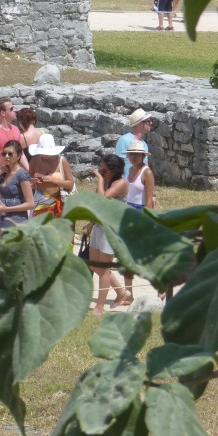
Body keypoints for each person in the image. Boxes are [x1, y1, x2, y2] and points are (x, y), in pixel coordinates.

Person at [85, 153, 129, 314]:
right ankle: (121, 292)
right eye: (100, 169)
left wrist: (99, 179)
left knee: (103, 268)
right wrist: (91, 221)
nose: (101, 172)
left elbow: (102, 198)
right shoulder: (109, 180)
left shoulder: (121, 183)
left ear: (113, 171)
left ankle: (100, 306)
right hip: (100, 226)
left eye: (104, 170)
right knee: (94, 264)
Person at [121, 139, 155, 305]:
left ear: (142, 155)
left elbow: (148, 201)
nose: (133, 157)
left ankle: (162, 288)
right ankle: (129, 294)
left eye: (136, 154)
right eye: (131, 154)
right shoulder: (131, 171)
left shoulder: (146, 172)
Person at [28, 134, 74, 218]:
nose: (44, 155)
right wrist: (33, 181)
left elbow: (70, 183)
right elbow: (28, 180)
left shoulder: (62, 161)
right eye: (42, 153)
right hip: (39, 200)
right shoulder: (34, 161)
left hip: (58, 201)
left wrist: (53, 180)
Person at [0, 140, 35, 229]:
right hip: (0, 219)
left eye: (10, 154)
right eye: (4, 154)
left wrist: (6, 209)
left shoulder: (22, 175)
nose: (6, 157)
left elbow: (30, 203)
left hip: (16, 221)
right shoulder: (3, 172)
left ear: (19, 155)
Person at [0, 100, 28, 169]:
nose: (15, 110)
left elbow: (20, 153)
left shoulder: (16, 129)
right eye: (11, 109)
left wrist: (28, 171)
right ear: (3, 113)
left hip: (15, 173)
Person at [115, 108, 154, 177]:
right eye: (148, 121)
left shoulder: (144, 144)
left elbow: (145, 165)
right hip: (126, 183)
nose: (151, 123)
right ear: (139, 124)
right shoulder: (124, 140)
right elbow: (118, 164)